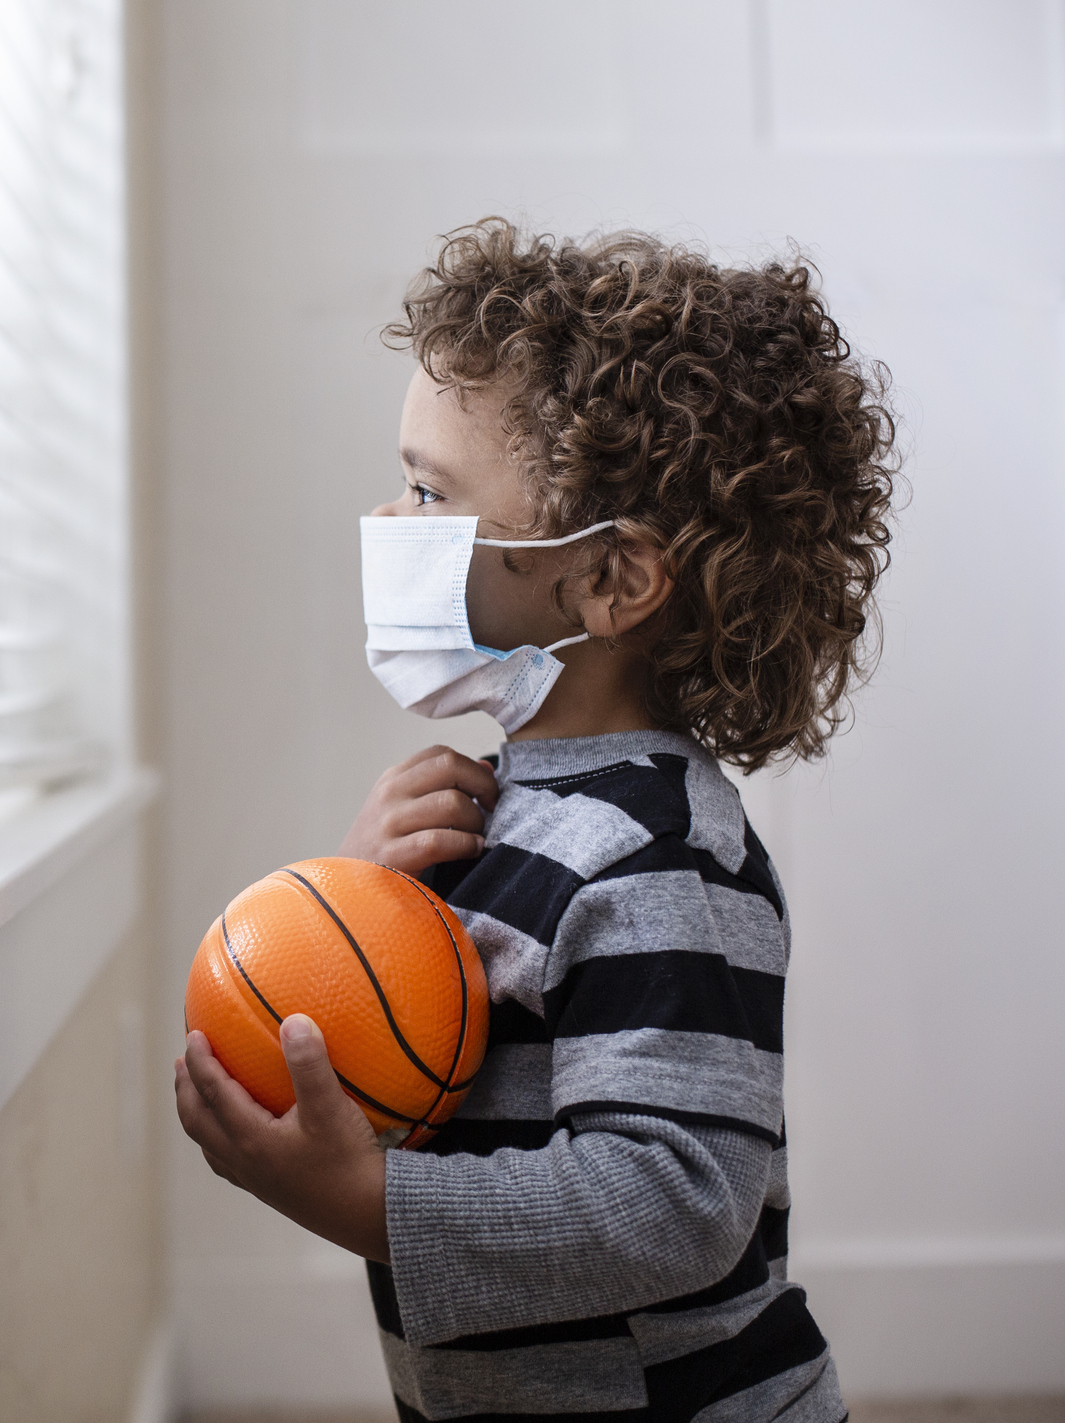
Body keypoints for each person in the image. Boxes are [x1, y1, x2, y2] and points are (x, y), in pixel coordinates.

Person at [174, 219, 897, 1422]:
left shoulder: (662, 856)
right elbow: (429, 1038)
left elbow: (674, 1200)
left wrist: (367, 1208)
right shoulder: (513, 803)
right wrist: (358, 899)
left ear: (608, 579)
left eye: (429, 492)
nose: (389, 521)